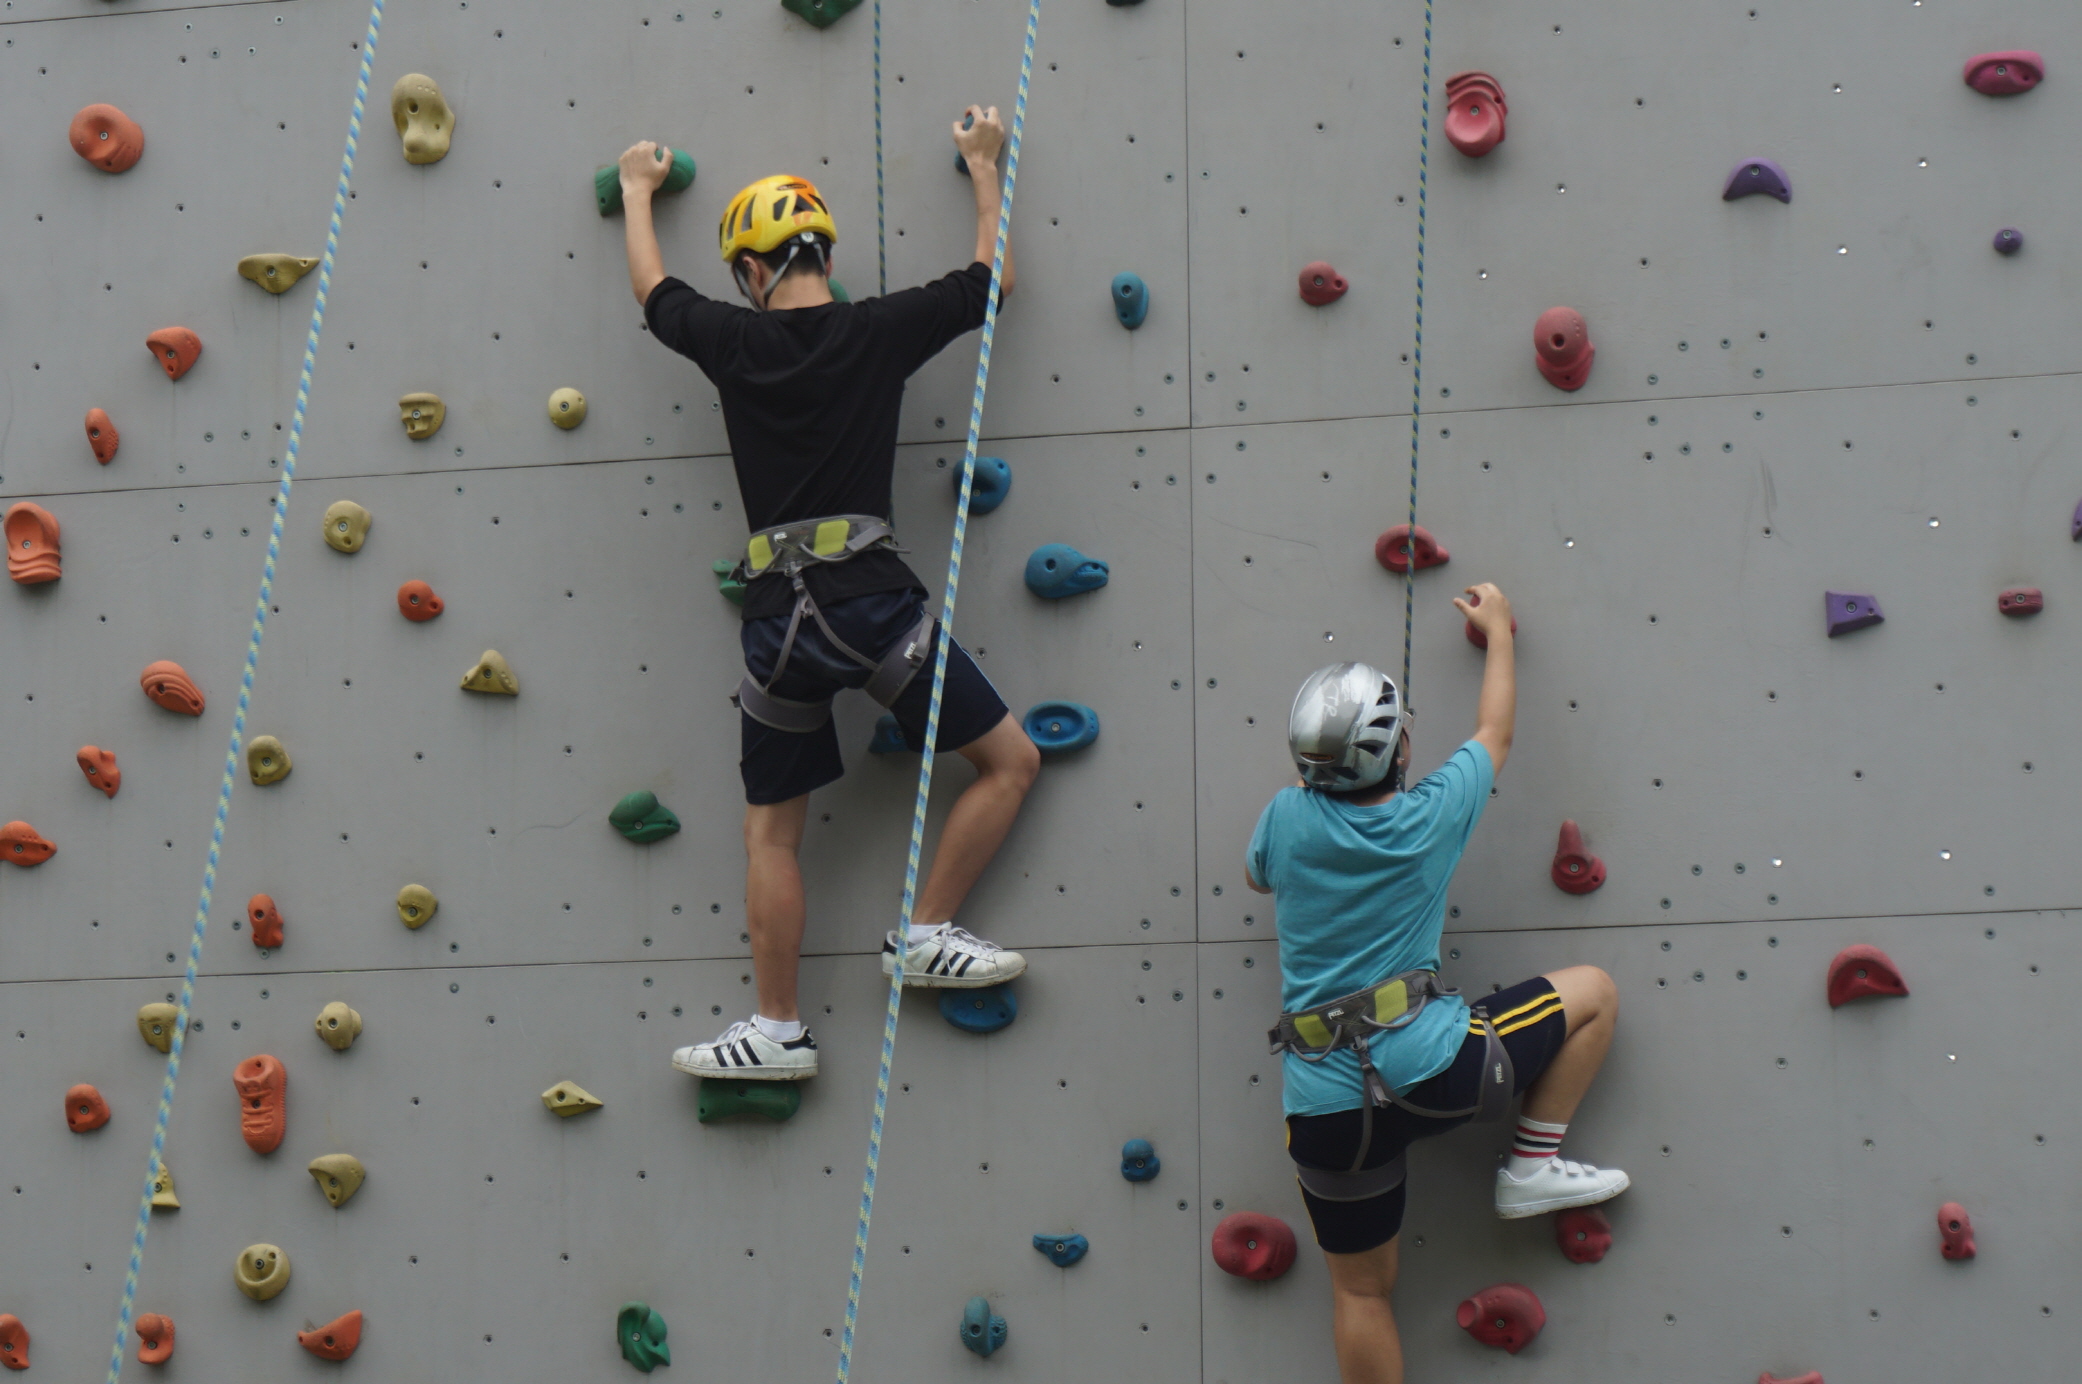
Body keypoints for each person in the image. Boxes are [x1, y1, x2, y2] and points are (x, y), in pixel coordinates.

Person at [616, 106, 1041, 1084]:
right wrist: (982, 166)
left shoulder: (731, 340)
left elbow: (652, 291)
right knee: (1010, 762)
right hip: (874, 609)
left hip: (779, 625)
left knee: (771, 832)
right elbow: (993, 280)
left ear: (752, 271)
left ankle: (778, 1029)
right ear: (823, 255)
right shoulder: (876, 331)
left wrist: (638, 190)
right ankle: (926, 930)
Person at [1245, 584, 1626, 1384]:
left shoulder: (1285, 818)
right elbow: (1495, 732)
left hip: (1326, 1112)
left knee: (1361, 1292)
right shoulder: (1431, 816)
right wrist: (1499, 634)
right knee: (1593, 992)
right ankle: (1531, 1164)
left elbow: (1258, 878)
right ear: (1400, 751)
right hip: (1439, 1071)